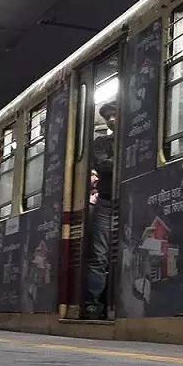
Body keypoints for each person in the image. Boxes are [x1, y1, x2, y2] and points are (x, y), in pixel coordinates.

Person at [84, 105, 117, 318]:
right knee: (99, 255)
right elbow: (103, 165)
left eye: (115, 115)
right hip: (106, 202)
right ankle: (93, 304)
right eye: (107, 117)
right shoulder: (101, 142)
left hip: (125, 200)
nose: (111, 119)